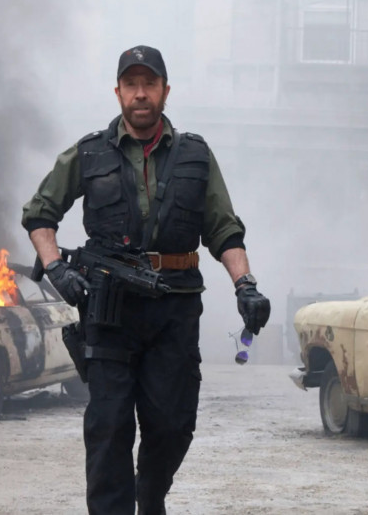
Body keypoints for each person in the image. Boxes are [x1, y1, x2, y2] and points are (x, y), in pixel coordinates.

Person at [21, 45, 271, 515]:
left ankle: (150, 494)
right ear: (118, 92)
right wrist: (56, 269)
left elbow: (223, 229)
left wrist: (246, 286)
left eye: (149, 84)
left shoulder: (195, 155)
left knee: (172, 425)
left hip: (175, 308)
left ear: (165, 91)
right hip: (109, 311)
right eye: (131, 84)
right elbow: (39, 214)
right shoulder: (89, 152)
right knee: (109, 426)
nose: (141, 93)